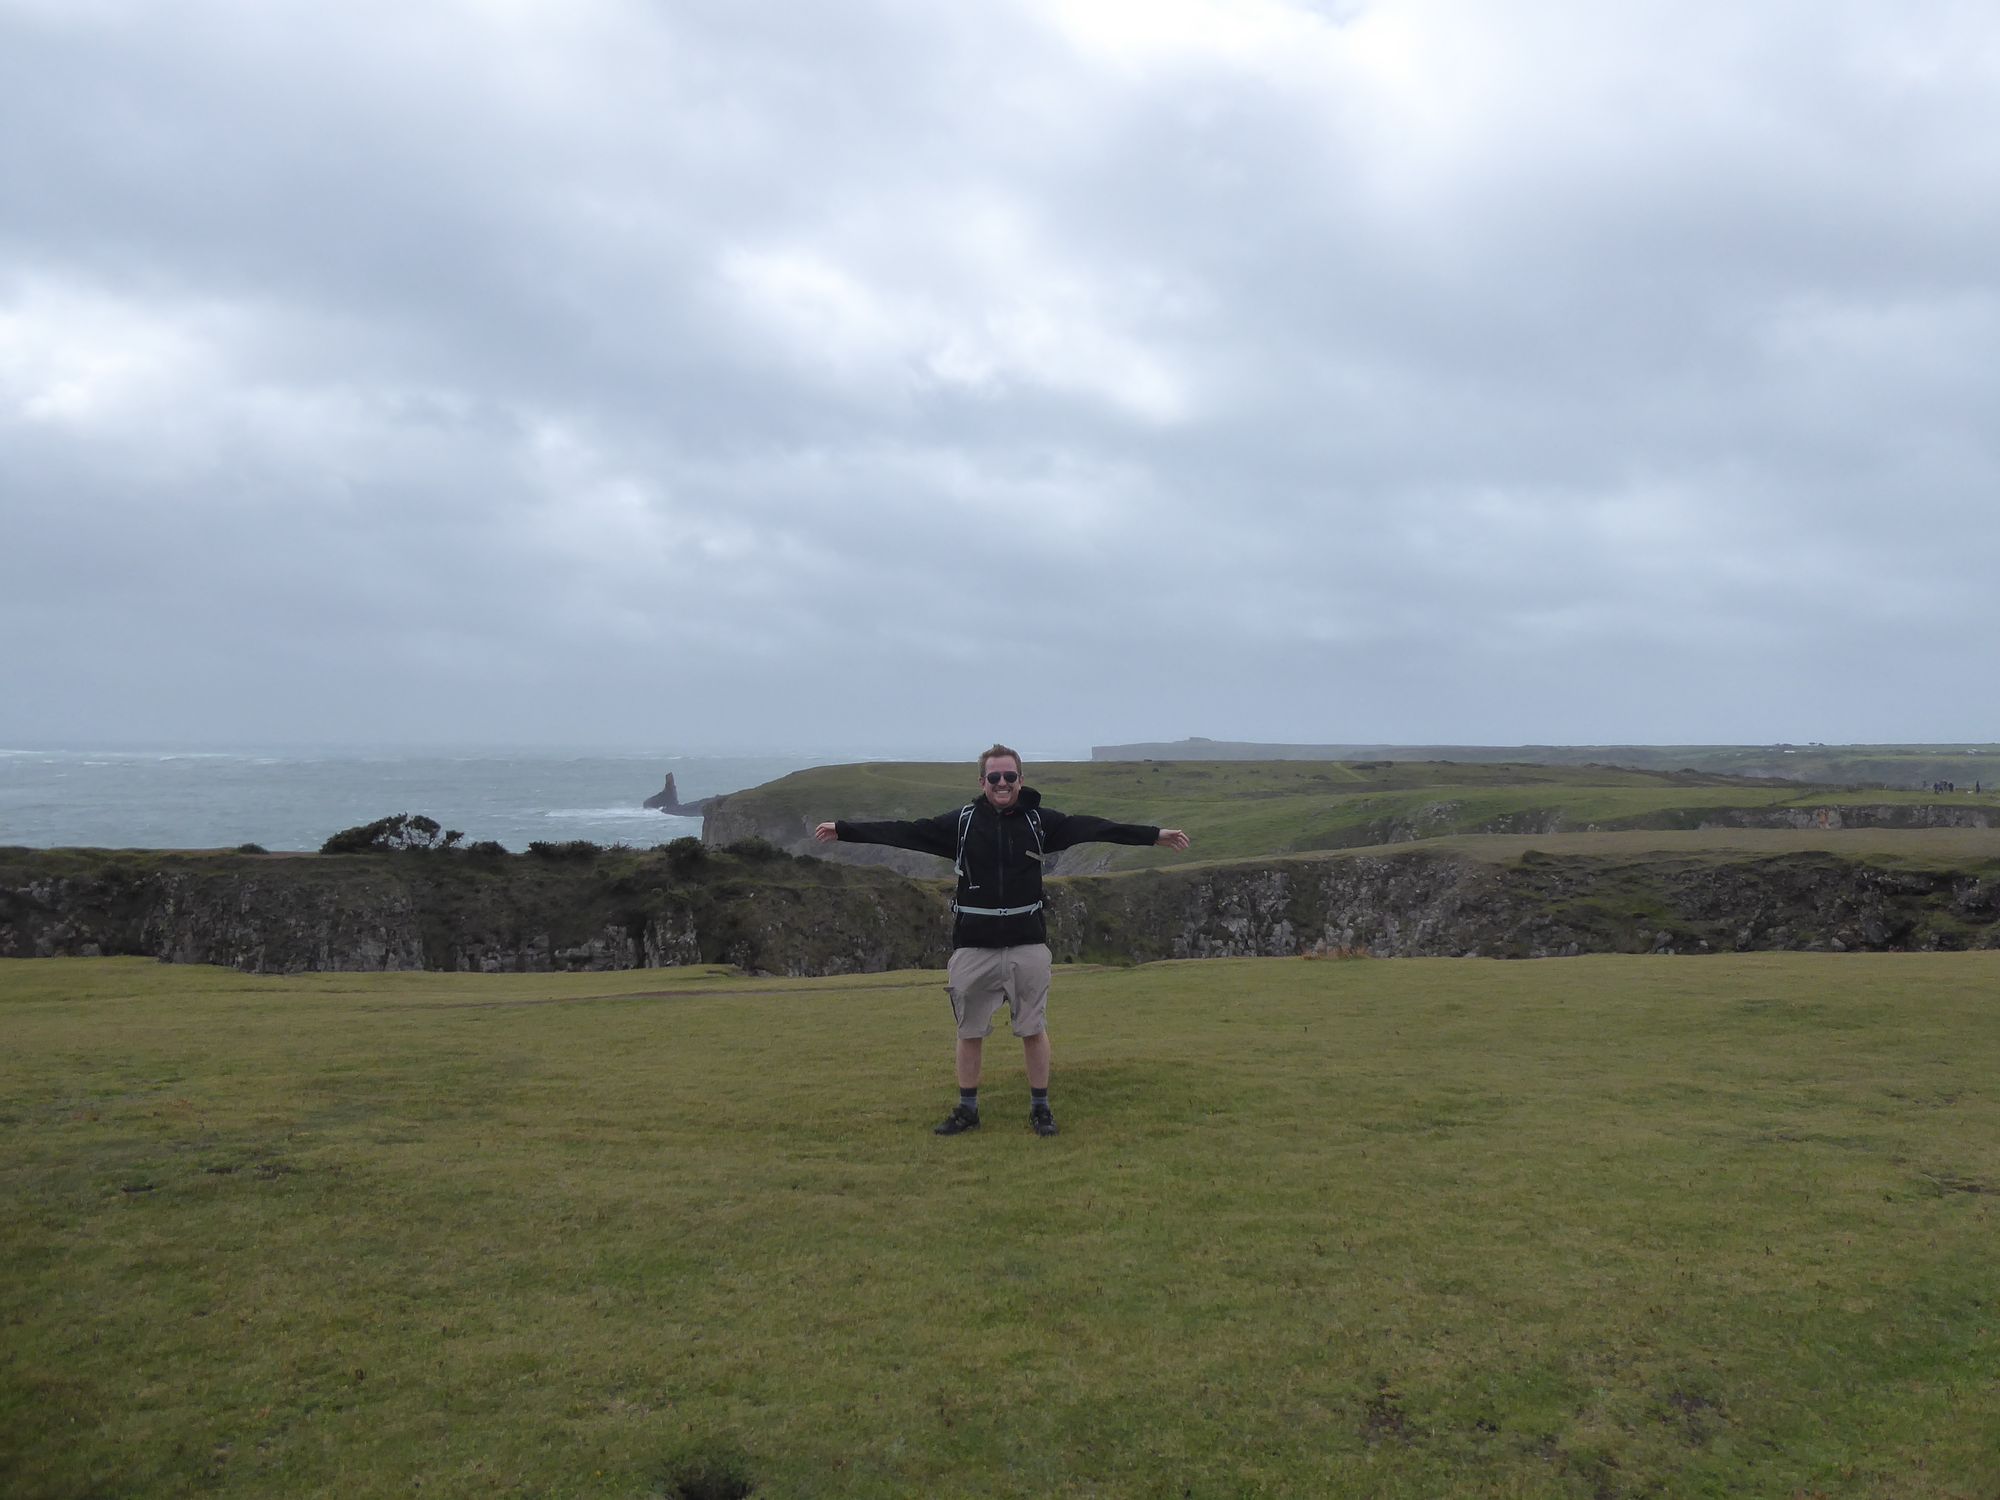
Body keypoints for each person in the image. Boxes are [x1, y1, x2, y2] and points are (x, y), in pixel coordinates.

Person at [814, 744, 1189, 1137]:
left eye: (1010, 776)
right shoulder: (960, 824)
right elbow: (904, 832)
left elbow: (1095, 827)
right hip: (973, 947)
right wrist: (844, 830)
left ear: (1020, 780)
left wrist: (1153, 836)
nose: (1002, 783)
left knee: (1033, 1028)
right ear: (982, 782)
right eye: (994, 777)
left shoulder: (1040, 822)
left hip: (1027, 944)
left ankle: (1041, 1109)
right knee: (969, 1031)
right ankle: (967, 1110)